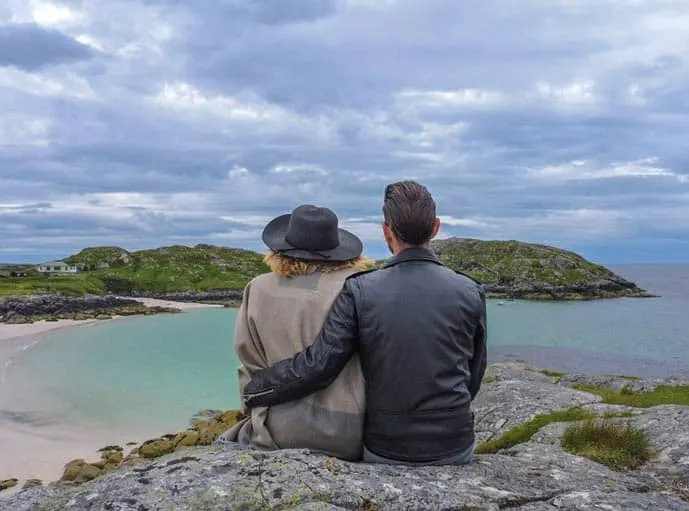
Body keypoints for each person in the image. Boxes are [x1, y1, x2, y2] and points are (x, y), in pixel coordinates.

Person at [242, 180, 487, 466]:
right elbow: (474, 373)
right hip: (455, 445)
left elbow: (319, 366)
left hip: (387, 448)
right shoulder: (470, 290)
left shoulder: (362, 290)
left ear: (386, 231)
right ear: (435, 227)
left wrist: (257, 388)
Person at [217, 204, 372, 461]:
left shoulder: (258, 288)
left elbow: (248, 361)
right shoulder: (361, 287)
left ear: (280, 248)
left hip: (277, 429)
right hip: (352, 433)